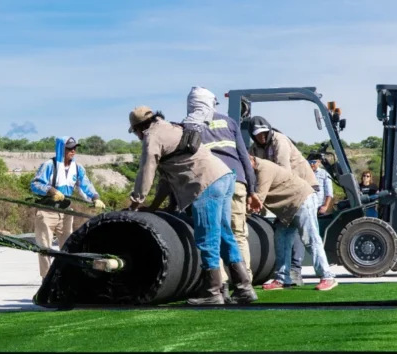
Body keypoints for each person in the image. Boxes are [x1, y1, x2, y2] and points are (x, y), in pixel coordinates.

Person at [128, 105, 257, 305]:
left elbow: (147, 171)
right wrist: (153, 206)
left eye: (135, 132)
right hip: (224, 176)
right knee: (224, 234)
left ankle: (212, 291)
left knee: (207, 237)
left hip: (205, 183)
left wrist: (137, 201)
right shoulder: (172, 128)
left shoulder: (151, 137)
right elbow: (166, 180)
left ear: (139, 128)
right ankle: (244, 288)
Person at [181, 86, 260, 300]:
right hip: (235, 179)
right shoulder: (229, 122)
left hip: (209, 181)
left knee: (209, 233)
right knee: (234, 233)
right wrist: (252, 189)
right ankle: (244, 287)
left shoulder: (190, 124)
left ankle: (216, 289)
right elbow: (244, 156)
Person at [249, 156, 338, 291]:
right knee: (281, 240)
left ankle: (327, 277)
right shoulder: (253, 170)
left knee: (310, 239)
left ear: (251, 159)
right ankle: (282, 279)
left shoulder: (263, 169)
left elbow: (258, 199)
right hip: (287, 208)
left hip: (302, 200)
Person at [248, 116, 317, 286]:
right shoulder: (254, 149)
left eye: (264, 133)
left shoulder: (280, 141)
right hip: (286, 190)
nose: (262, 136)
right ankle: (284, 275)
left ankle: (295, 270)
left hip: (302, 187)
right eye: (258, 134)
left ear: (269, 130)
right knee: (283, 230)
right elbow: (252, 170)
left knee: (301, 230)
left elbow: (283, 172)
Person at [30, 136, 105, 278]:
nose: (73, 151)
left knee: (68, 247)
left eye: (74, 148)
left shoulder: (77, 168)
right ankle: (46, 279)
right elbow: (35, 184)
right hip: (47, 211)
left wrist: (95, 198)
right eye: (69, 148)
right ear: (61, 149)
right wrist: (50, 191)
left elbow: (85, 185)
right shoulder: (49, 165)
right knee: (45, 248)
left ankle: (64, 278)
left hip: (66, 213)